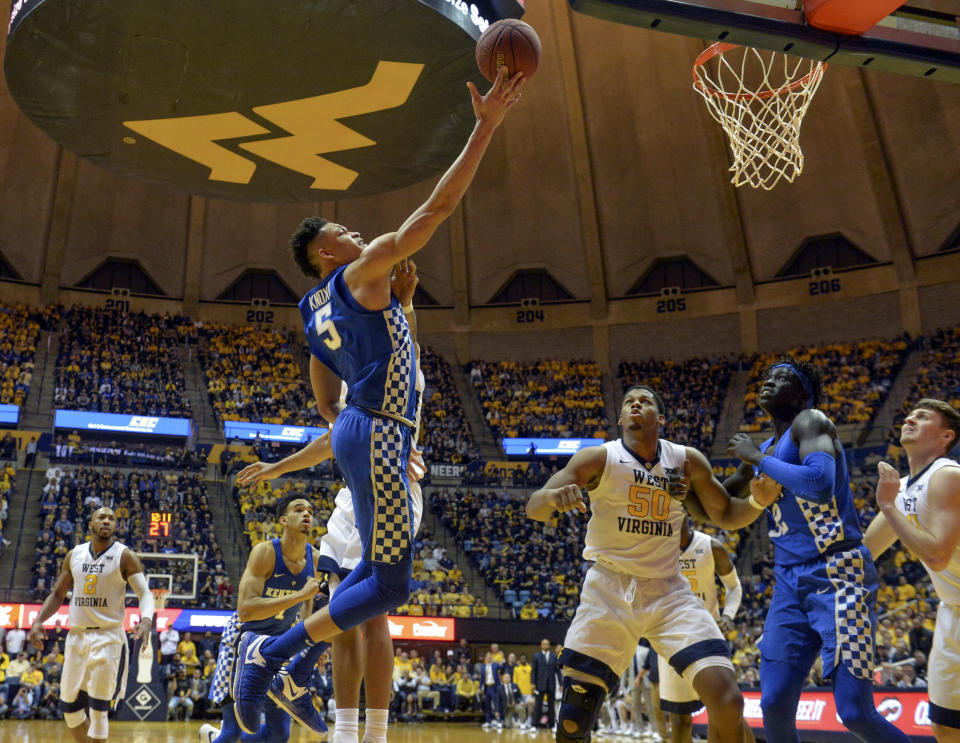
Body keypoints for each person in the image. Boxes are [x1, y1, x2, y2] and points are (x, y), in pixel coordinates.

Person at [230, 67, 524, 733]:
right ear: (326, 252)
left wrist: (404, 314)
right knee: (387, 587)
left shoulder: (316, 311)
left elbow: (331, 396)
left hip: (363, 431)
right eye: (341, 228)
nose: (355, 231)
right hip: (384, 435)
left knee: (372, 581)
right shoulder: (359, 272)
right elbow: (436, 212)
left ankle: (318, 694)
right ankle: (270, 655)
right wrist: (485, 126)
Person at [235, 262, 424, 743]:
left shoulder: (395, 357)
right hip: (354, 493)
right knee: (344, 612)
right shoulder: (353, 371)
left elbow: (406, 341)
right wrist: (277, 469)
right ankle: (333, 718)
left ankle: (366, 726)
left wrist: (405, 301)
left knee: (375, 607)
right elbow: (333, 436)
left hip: (391, 482)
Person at [526, 385, 779, 743]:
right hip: (609, 589)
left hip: (669, 590)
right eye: (629, 400)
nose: (635, 404)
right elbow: (533, 506)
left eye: (644, 401)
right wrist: (552, 497)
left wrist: (757, 501)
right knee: (573, 721)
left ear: (660, 418)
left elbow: (724, 513)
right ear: (620, 417)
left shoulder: (687, 460)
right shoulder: (597, 458)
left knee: (728, 700)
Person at [725, 358, 913, 743]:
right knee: (774, 703)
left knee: (854, 711)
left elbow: (818, 484)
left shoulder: (811, 422)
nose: (769, 381)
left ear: (804, 394)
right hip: (788, 583)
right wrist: (679, 484)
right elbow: (721, 499)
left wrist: (759, 460)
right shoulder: (764, 446)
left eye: (782, 378)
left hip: (840, 574)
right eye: (767, 376)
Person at [863, 398, 960, 742]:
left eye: (923, 416)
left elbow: (937, 557)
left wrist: (888, 507)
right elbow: (865, 552)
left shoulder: (948, 476)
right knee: (945, 725)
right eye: (910, 414)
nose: (910, 418)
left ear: (946, 435)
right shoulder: (903, 488)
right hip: (952, 610)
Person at [197, 493, 326, 743]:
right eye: (299, 509)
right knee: (234, 731)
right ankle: (217, 736)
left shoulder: (316, 559)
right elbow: (246, 609)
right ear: (283, 520)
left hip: (277, 646)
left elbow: (307, 604)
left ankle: (212, 736)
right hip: (241, 642)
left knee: (279, 736)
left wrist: (309, 644)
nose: (307, 513)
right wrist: (298, 594)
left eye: (310, 510)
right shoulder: (265, 552)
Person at [27, 506, 153, 743]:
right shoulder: (74, 554)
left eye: (111, 519)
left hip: (108, 638)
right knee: (70, 711)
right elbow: (56, 594)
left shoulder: (124, 555)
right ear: (91, 524)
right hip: (77, 638)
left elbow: (145, 593)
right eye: (101, 517)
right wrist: (38, 621)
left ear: (116, 526)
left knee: (98, 710)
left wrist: (146, 620)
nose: (106, 521)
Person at [659, 517, 754, 743]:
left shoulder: (711, 547)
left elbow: (734, 587)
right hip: (671, 641)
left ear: (685, 516)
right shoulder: (656, 550)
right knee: (680, 721)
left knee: (727, 711)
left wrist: (729, 615)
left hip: (706, 637)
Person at [531, 639, 558, 730]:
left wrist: (561, 684)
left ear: (549, 645)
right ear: (541, 645)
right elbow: (533, 671)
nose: (545, 645)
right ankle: (535, 725)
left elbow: (557, 671)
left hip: (551, 684)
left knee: (551, 705)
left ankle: (552, 725)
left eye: (547, 644)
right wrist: (532, 683)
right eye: (544, 644)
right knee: (538, 705)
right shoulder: (536, 656)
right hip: (540, 685)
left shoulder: (554, 656)